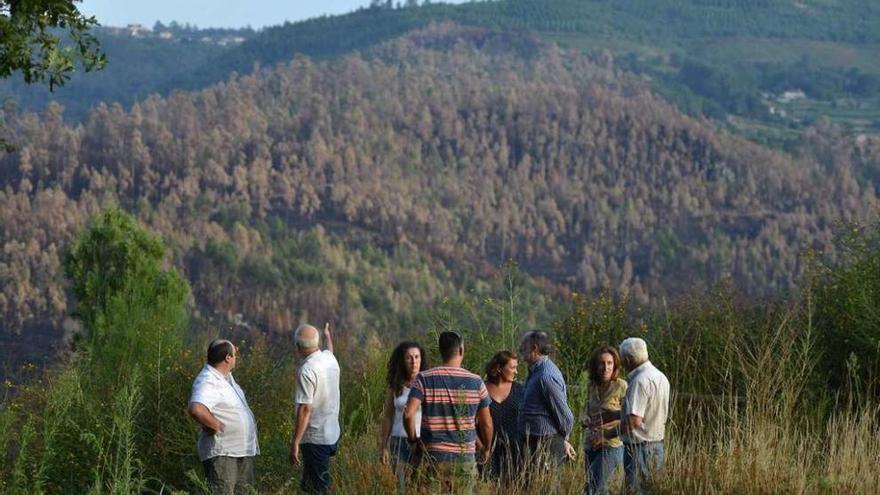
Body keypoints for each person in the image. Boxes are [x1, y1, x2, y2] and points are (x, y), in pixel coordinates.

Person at [404, 331, 493, 493]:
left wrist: (413, 441)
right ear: (461, 350)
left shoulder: (424, 378)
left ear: (441, 351)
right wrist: (486, 448)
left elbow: (408, 414)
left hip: (432, 457)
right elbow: (486, 423)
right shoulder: (476, 381)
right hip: (464, 458)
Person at [188, 339, 259, 495]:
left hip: (240, 451)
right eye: (234, 355)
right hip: (223, 453)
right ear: (228, 358)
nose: (236, 358)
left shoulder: (225, 378)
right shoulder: (208, 380)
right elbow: (196, 408)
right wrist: (215, 425)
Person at [289, 323, 340, 495]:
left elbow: (305, 410)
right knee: (309, 485)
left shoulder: (306, 370)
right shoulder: (329, 359)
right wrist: (327, 336)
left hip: (315, 437)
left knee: (319, 489)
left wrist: (295, 441)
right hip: (331, 434)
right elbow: (330, 350)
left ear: (297, 347)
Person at [518, 330, 576, 479]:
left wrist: (564, 440)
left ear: (534, 348)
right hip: (535, 442)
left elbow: (566, 416)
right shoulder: (536, 372)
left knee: (546, 486)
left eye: (524, 345)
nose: (520, 349)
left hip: (546, 443)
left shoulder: (546, 376)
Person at [618, 337, 669, 494]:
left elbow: (634, 420)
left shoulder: (639, 381)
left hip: (638, 448)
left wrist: (608, 434)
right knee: (652, 489)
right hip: (657, 445)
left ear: (628, 360)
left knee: (635, 490)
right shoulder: (661, 377)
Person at [379, 341, 429, 489]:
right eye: (409, 358)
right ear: (402, 360)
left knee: (421, 485)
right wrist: (383, 446)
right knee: (401, 485)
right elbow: (388, 416)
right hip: (398, 441)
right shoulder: (395, 385)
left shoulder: (428, 383)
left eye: (417, 357)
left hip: (421, 442)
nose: (414, 362)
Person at [582, 345, 628, 495]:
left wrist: (609, 423)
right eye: (601, 363)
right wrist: (585, 419)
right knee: (600, 489)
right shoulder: (591, 386)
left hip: (611, 444)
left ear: (615, 365)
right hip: (591, 443)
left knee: (592, 489)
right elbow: (587, 411)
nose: (605, 367)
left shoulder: (621, 385)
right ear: (595, 366)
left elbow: (628, 416)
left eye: (609, 363)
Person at [481, 350, 524, 483]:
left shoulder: (520, 390)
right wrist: (480, 447)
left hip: (515, 453)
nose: (516, 371)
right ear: (499, 368)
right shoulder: (481, 388)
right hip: (486, 451)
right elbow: (471, 421)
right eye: (512, 367)